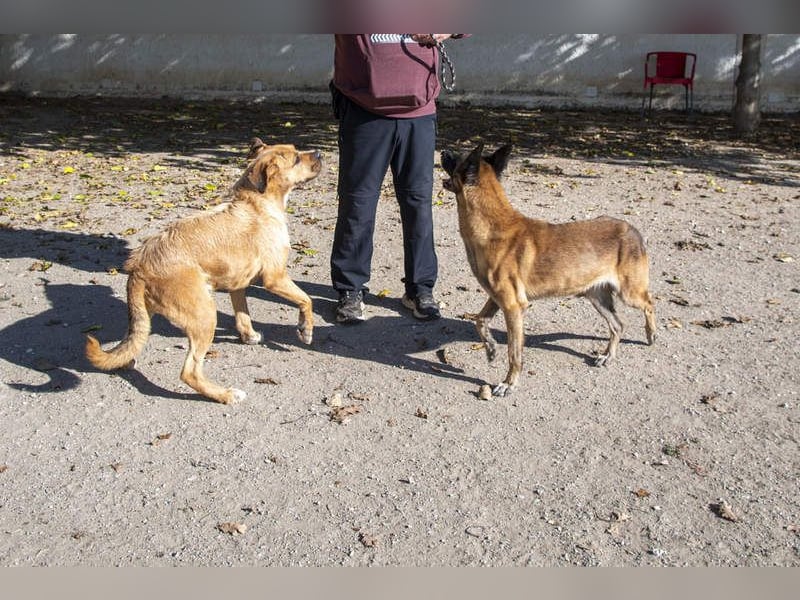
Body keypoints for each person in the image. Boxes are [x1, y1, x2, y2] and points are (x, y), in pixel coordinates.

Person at [329, 33, 467, 324]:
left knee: (418, 203)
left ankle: (420, 289)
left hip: (418, 110)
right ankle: (350, 290)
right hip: (363, 107)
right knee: (358, 203)